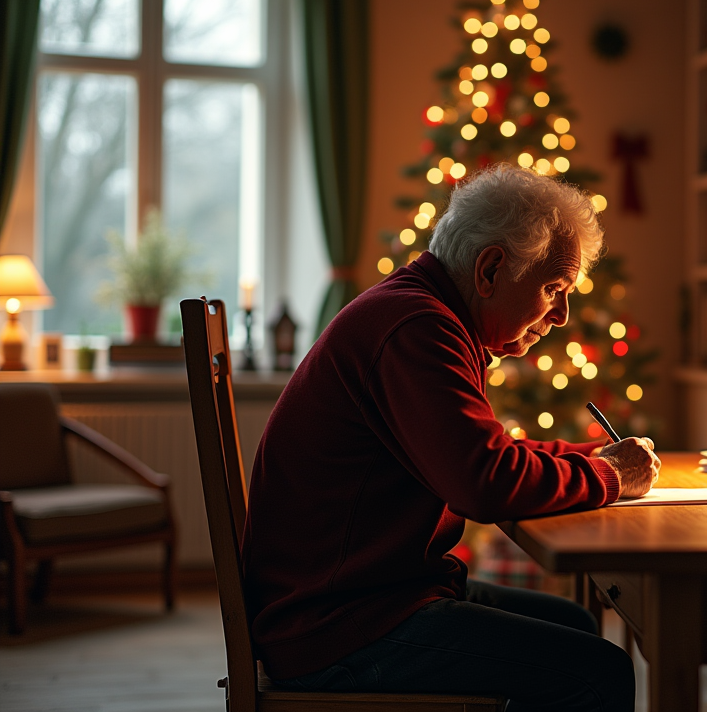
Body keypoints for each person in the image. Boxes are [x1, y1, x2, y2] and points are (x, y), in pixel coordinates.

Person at [241, 164, 659, 711]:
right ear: (490, 269)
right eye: (553, 288)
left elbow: (486, 452)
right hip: (337, 624)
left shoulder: (421, 312)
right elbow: (483, 482)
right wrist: (607, 474)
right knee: (596, 669)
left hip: (362, 596)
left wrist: (596, 459)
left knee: (574, 621)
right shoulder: (417, 327)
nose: (561, 315)